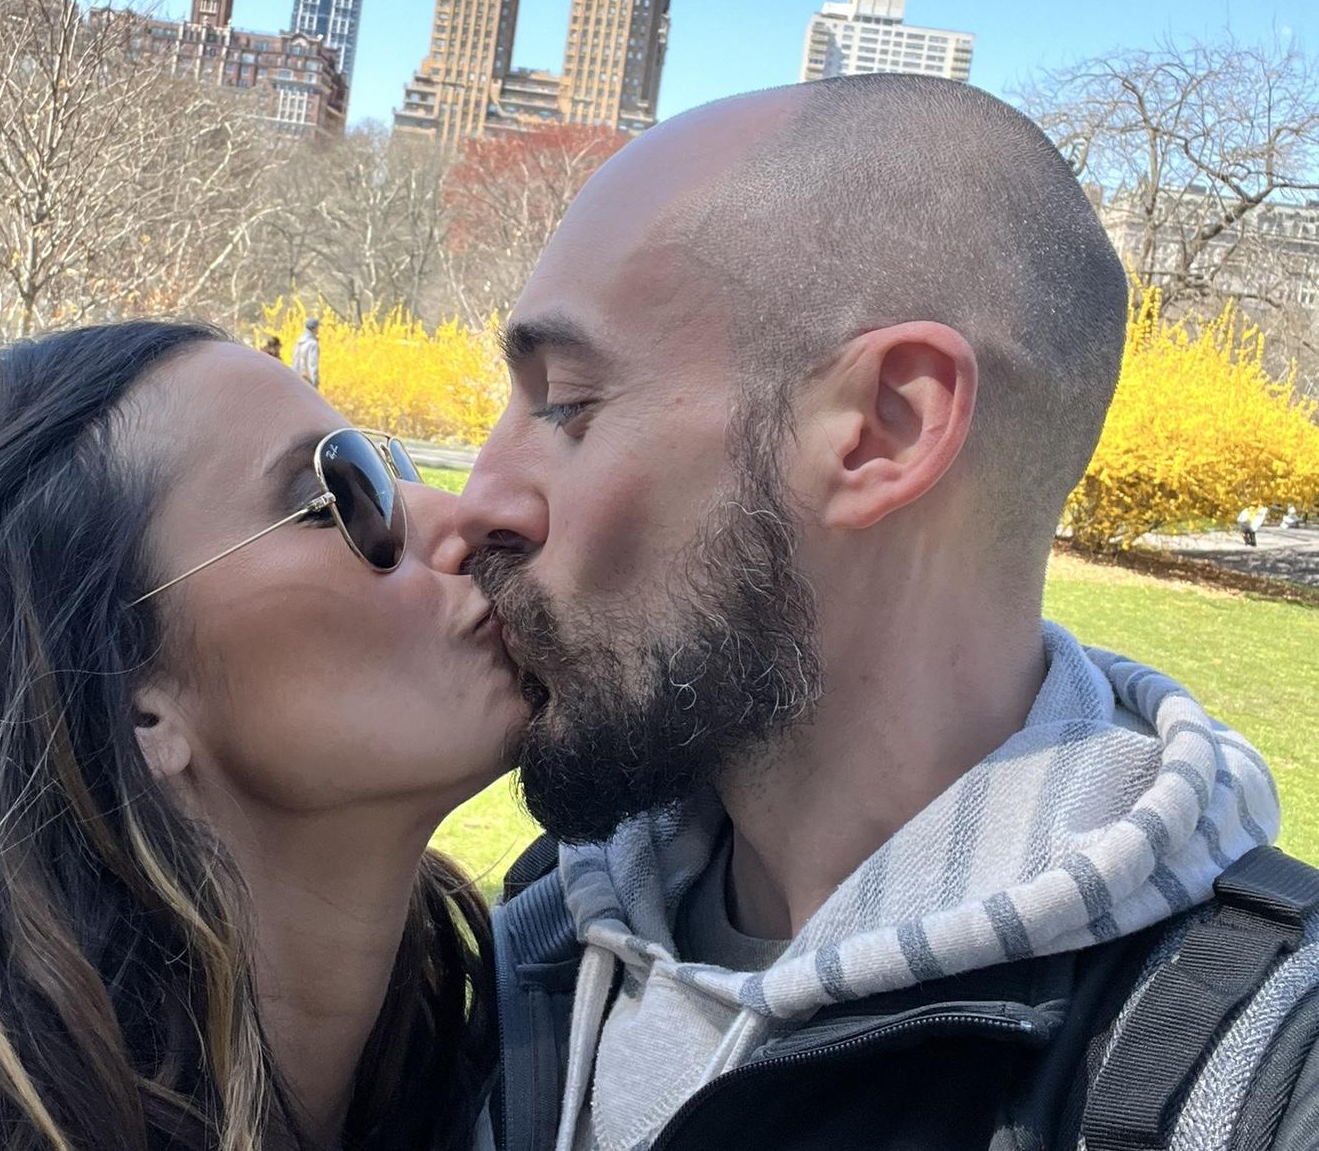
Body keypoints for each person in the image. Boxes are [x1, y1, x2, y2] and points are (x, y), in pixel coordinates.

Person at [456, 77, 1316, 1151]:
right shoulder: (542, 934)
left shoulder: (1261, 1075)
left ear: (886, 432)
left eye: (567, 405)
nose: (476, 500)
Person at [0, 321, 526, 1150]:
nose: (465, 516)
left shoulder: (529, 1072)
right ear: (128, 699)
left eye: (393, 464)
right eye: (344, 493)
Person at [293, 315, 321, 387]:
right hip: (308, 382)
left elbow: (294, 363)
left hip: (296, 380)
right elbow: (313, 365)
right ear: (314, 328)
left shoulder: (298, 343)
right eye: (318, 327)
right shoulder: (312, 344)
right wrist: (315, 383)